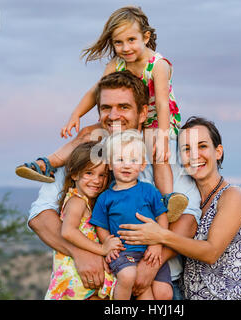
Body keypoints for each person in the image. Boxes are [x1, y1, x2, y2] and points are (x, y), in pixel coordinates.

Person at [27, 71, 202, 300]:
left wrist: (152, 264)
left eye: (123, 107)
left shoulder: (165, 150)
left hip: (158, 282)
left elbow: (188, 219)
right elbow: (39, 216)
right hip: (94, 287)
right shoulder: (85, 154)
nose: (113, 115)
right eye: (106, 108)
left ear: (142, 113)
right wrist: (81, 253)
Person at [15, 6, 187, 219]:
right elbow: (96, 91)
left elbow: (161, 104)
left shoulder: (158, 65)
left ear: (146, 36)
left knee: (158, 155)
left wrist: (162, 136)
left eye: (131, 40)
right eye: (118, 42)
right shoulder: (117, 63)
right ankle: (46, 164)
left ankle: (167, 199)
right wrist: (75, 114)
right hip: (124, 121)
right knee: (87, 133)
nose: (125, 47)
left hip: (158, 121)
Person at [118, 117, 241, 300]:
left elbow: (211, 252)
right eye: (186, 149)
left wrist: (160, 235)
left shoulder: (232, 195)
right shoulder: (192, 199)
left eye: (202, 146)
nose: (194, 155)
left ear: (218, 152)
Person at [91, 130, 173, 300]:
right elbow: (101, 225)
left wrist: (157, 244)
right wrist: (107, 242)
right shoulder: (105, 197)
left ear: (142, 165)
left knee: (165, 294)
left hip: (151, 251)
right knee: (130, 278)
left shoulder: (149, 191)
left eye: (133, 160)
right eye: (120, 159)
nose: (126, 165)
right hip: (123, 252)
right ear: (110, 165)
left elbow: (162, 217)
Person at [45, 141, 124, 300]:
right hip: (75, 276)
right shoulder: (77, 201)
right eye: (89, 173)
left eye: (102, 175)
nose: (96, 180)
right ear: (74, 174)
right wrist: (102, 249)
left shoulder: (87, 201)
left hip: (83, 276)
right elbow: (68, 231)